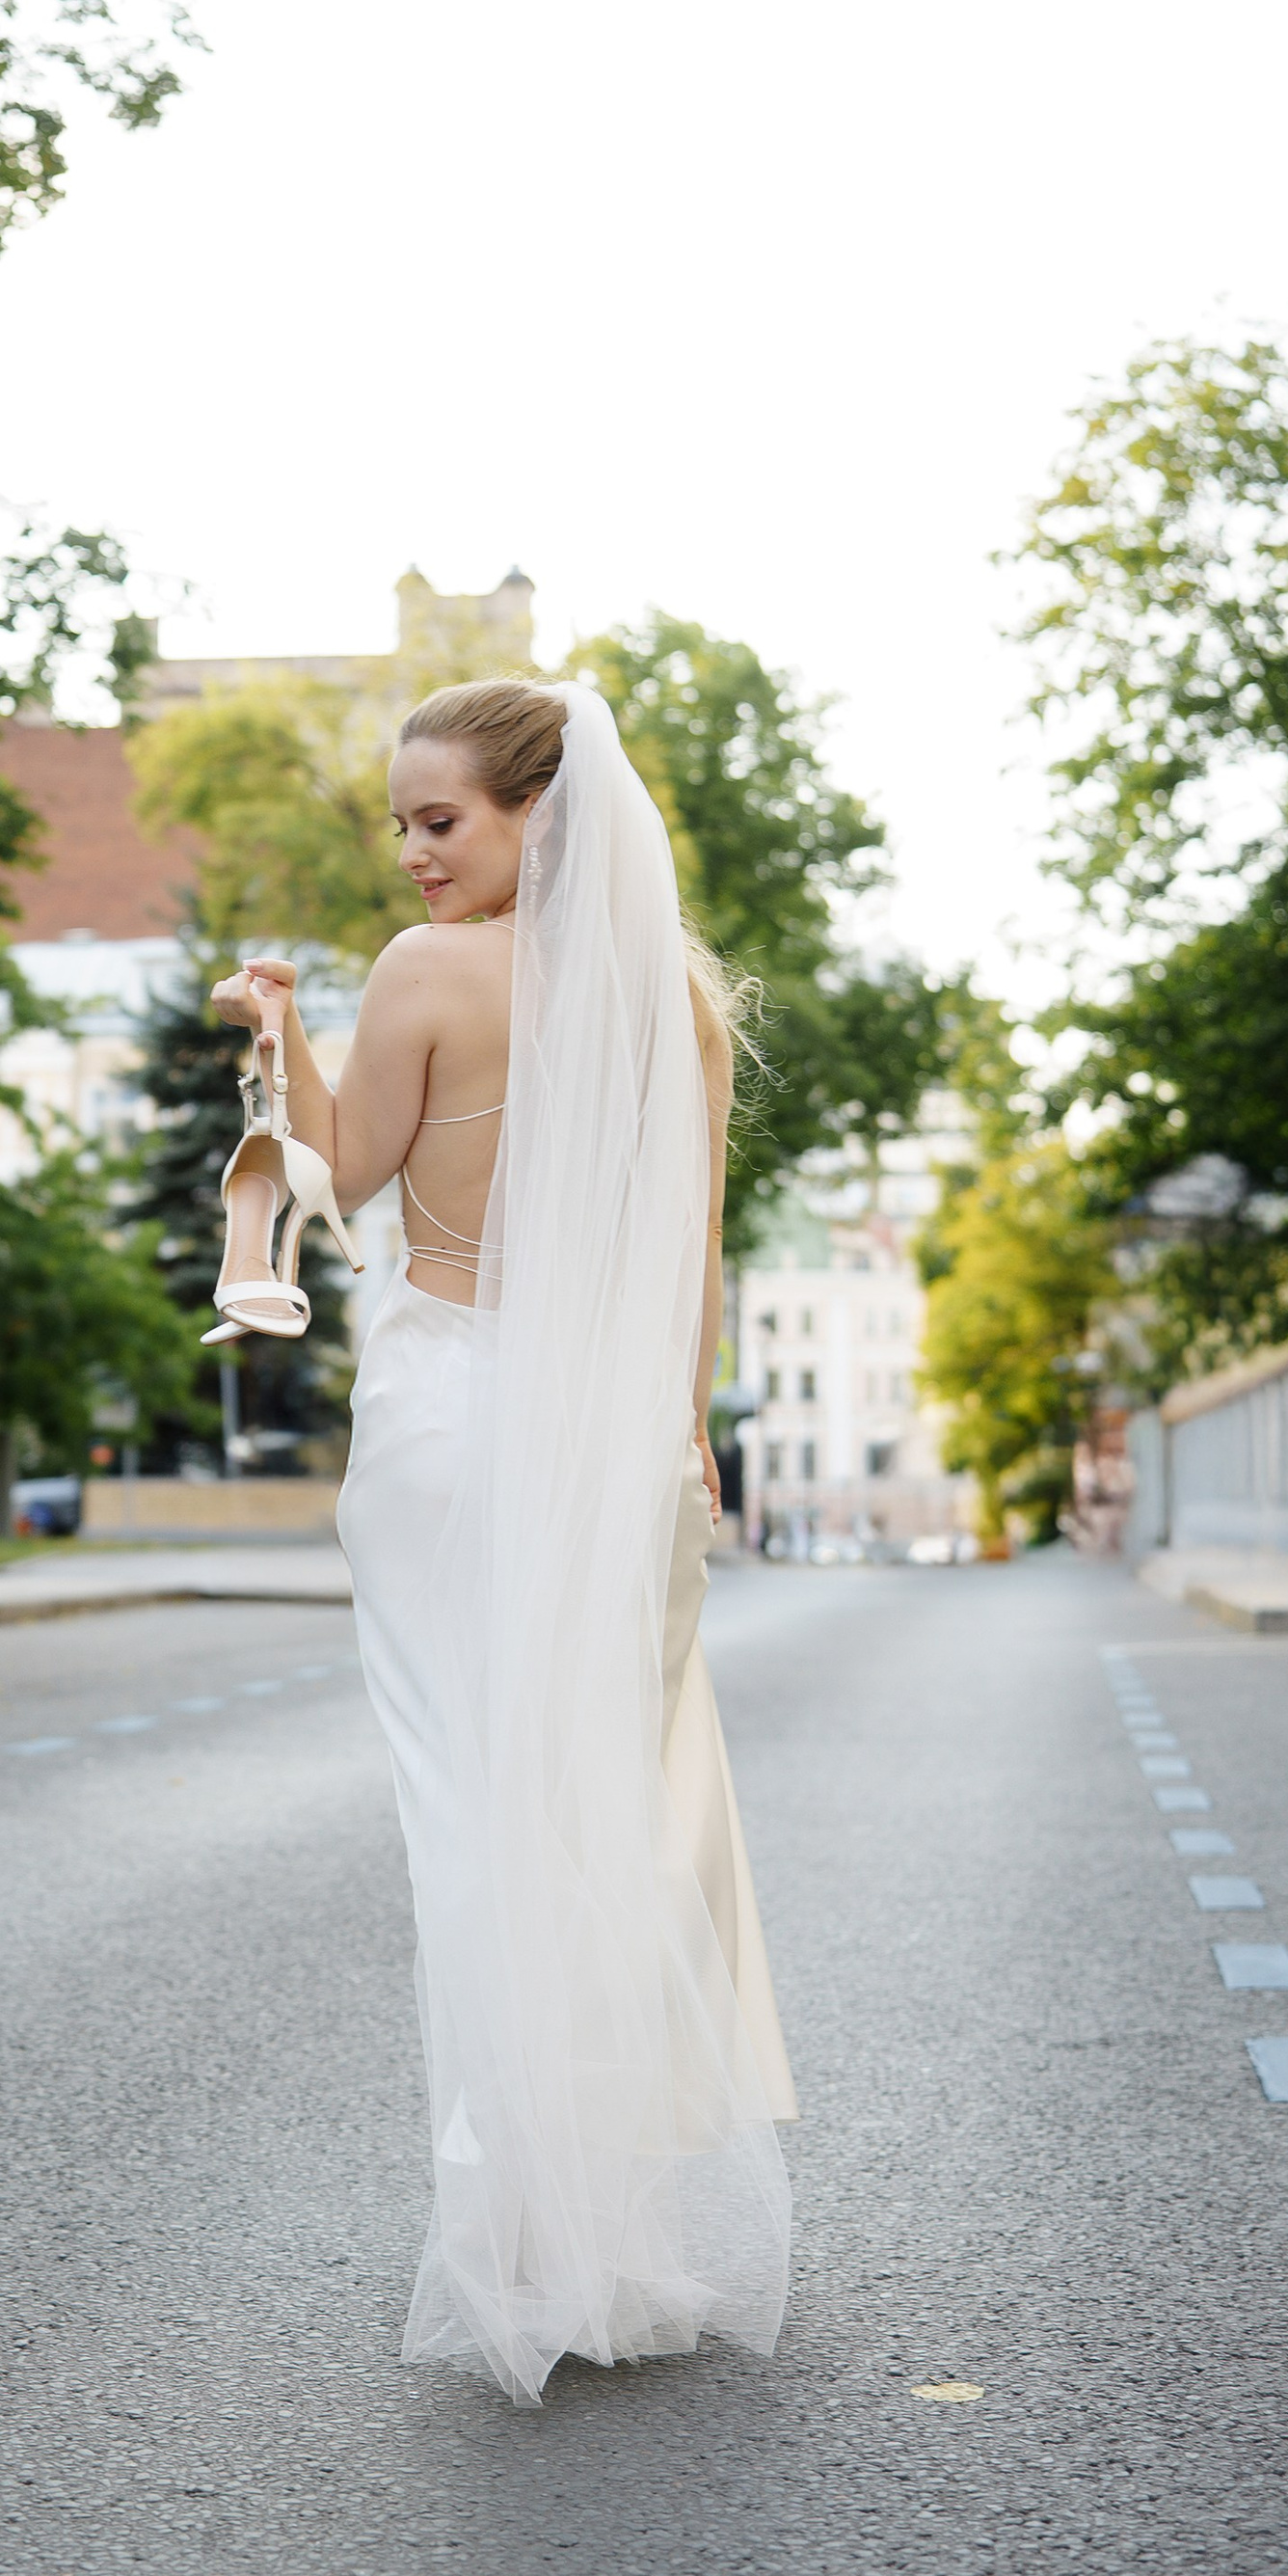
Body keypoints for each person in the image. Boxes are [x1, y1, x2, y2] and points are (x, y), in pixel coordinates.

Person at [210, 677, 795, 2407]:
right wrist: (683, 1432)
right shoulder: (677, 1003)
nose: (411, 853)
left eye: (440, 821)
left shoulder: (425, 978)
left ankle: (516, 2231)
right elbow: (687, 1260)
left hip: (455, 1420)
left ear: (542, 814)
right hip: (612, 1435)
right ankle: (594, 2229)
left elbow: (343, 1168)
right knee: (590, 1812)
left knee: (468, 1813)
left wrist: (278, 1036)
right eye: (400, 823)